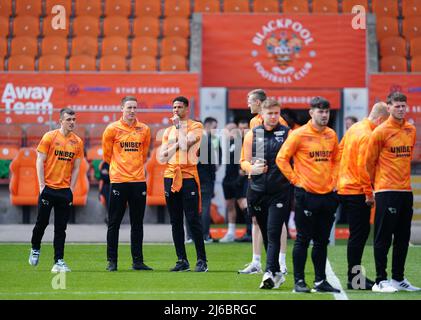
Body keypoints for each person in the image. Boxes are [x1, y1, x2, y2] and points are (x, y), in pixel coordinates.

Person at [276, 96, 341, 293]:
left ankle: (320, 281)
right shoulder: (299, 134)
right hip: (306, 194)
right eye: (320, 111)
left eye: (327, 111)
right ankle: (299, 282)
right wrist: (296, 180)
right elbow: (281, 159)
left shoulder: (331, 134)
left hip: (328, 195)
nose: (324, 115)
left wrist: (335, 182)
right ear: (311, 113)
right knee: (303, 239)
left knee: (322, 241)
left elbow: (337, 159)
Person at [366, 92, 420, 292]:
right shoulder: (380, 131)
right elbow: (369, 162)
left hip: (406, 190)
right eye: (396, 106)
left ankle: (398, 278)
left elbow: (407, 156)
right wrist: (372, 188)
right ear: (388, 107)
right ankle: (380, 280)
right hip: (386, 190)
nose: (401, 109)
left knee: (403, 236)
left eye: (403, 106)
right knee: (383, 237)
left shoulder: (410, 130)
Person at [337, 102, 389, 290]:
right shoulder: (369, 135)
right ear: (381, 119)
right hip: (357, 190)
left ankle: (355, 278)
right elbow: (363, 167)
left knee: (358, 234)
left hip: (345, 186)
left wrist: (340, 175)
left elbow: (340, 150)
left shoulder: (355, 127)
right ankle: (355, 279)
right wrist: (369, 193)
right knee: (359, 236)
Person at [240, 99, 291, 289]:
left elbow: (294, 159)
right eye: (269, 113)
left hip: (280, 192)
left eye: (276, 113)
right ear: (262, 114)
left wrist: (293, 178)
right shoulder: (253, 134)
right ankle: (276, 272)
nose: (273, 117)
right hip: (258, 191)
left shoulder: (287, 134)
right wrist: (252, 168)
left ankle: (269, 272)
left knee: (273, 230)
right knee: (267, 233)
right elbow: (243, 162)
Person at [29, 108, 83, 272]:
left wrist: (71, 189)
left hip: (64, 191)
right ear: (61, 121)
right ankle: (35, 247)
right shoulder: (50, 137)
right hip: (48, 189)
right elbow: (40, 161)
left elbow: (76, 168)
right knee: (41, 223)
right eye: (68, 119)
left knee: (61, 228)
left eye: (74, 119)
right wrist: (41, 185)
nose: (72, 122)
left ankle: (58, 261)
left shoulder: (78, 142)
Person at [102, 96, 152, 272]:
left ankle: (137, 262)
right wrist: (120, 169)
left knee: (137, 223)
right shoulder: (111, 129)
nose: (132, 111)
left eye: (135, 108)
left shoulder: (144, 129)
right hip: (119, 181)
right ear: (121, 108)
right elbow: (107, 156)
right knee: (114, 222)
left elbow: (144, 154)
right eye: (129, 107)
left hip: (138, 181)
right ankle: (112, 261)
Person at [158, 96, 208, 272]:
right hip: (170, 176)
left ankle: (201, 260)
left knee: (193, 219)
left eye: (179, 107)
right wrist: (176, 145)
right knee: (175, 220)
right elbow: (163, 157)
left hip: (188, 176)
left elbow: (187, 146)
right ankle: (182, 260)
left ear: (187, 109)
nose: (176, 110)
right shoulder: (167, 131)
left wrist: (179, 131)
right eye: (174, 107)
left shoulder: (196, 126)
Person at [220, 121, 250, 243]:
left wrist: (243, 172)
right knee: (230, 206)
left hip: (240, 180)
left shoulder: (245, 143)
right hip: (228, 179)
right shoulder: (228, 143)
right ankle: (231, 232)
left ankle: (250, 232)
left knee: (244, 205)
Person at [196, 117, 221, 243]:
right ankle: (205, 235)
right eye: (214, 126)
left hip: (191, 177)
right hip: (205, 177)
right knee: (205, 206)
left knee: (191, 206)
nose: (215, 130)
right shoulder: (208, 140)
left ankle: (190, 236)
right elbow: (214, 163)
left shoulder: (189, 140)